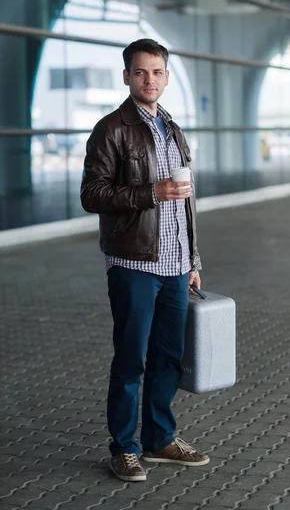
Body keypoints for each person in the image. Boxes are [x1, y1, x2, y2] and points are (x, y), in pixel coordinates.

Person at [81, 38, 209, 482]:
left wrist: (192, 259)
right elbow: (91, 195)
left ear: (167, 77)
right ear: (127, 77)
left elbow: (187, 203)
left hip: (175, 267)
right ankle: (124, 447)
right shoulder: (111, 129)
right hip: (134, 264)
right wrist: (149, 193)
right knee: (131, 360)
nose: (149, 79)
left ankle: (159, 440)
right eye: (140, 72)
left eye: (156, 72)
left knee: (168, 358)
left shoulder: (173, 128)